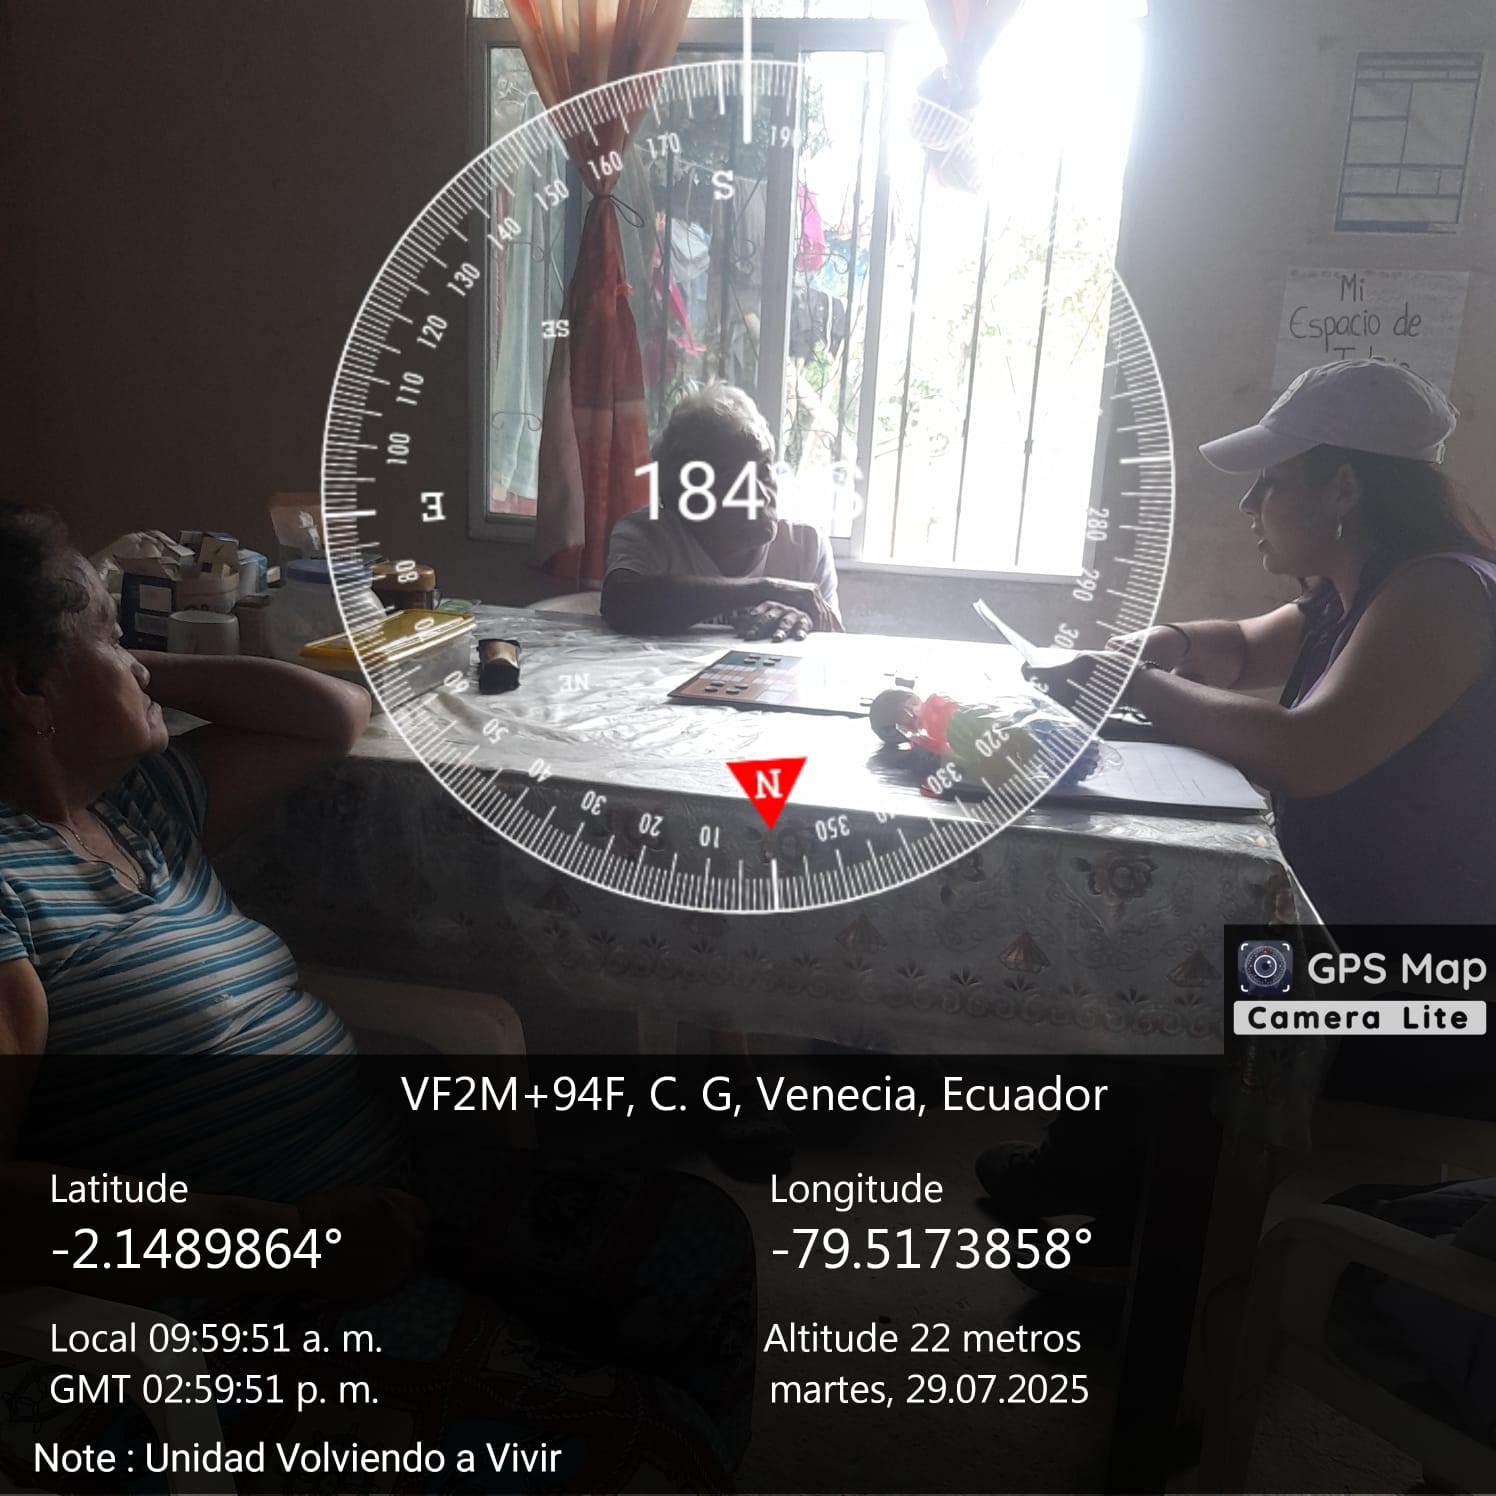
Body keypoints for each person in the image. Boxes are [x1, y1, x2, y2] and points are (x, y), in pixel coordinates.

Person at [0, 507, 754, 1483]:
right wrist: (287, 1245)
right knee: (648, 1449)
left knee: (702, 1246)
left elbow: (331, 714)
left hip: (383, 1182)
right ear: (25, 688)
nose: (139, 662)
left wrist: (124, 671)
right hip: (257, 1291)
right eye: (111, 636)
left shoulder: (138, 808)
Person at [984, 359, 1496, 1273]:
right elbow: (1240, 650)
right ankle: (1106, 1190)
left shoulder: (1445, 593)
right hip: (1344, 939)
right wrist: (1162, 646)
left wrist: (1136, 686)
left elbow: (1309, 752)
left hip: (1429, 988)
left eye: (1272, 480)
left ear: (1344, 487)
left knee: (1167, 977)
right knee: (1143, 939)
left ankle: (1150, 1267)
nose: (1249, 503)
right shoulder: (1359, 589)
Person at [602, 383, 844, 642]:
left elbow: (837, 643)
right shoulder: (650, 534)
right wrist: (765, 591)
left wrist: (808, 621)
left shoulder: (805, 545)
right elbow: (620, 600)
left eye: (764, 469)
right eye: (736, 480)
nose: (759, 493)